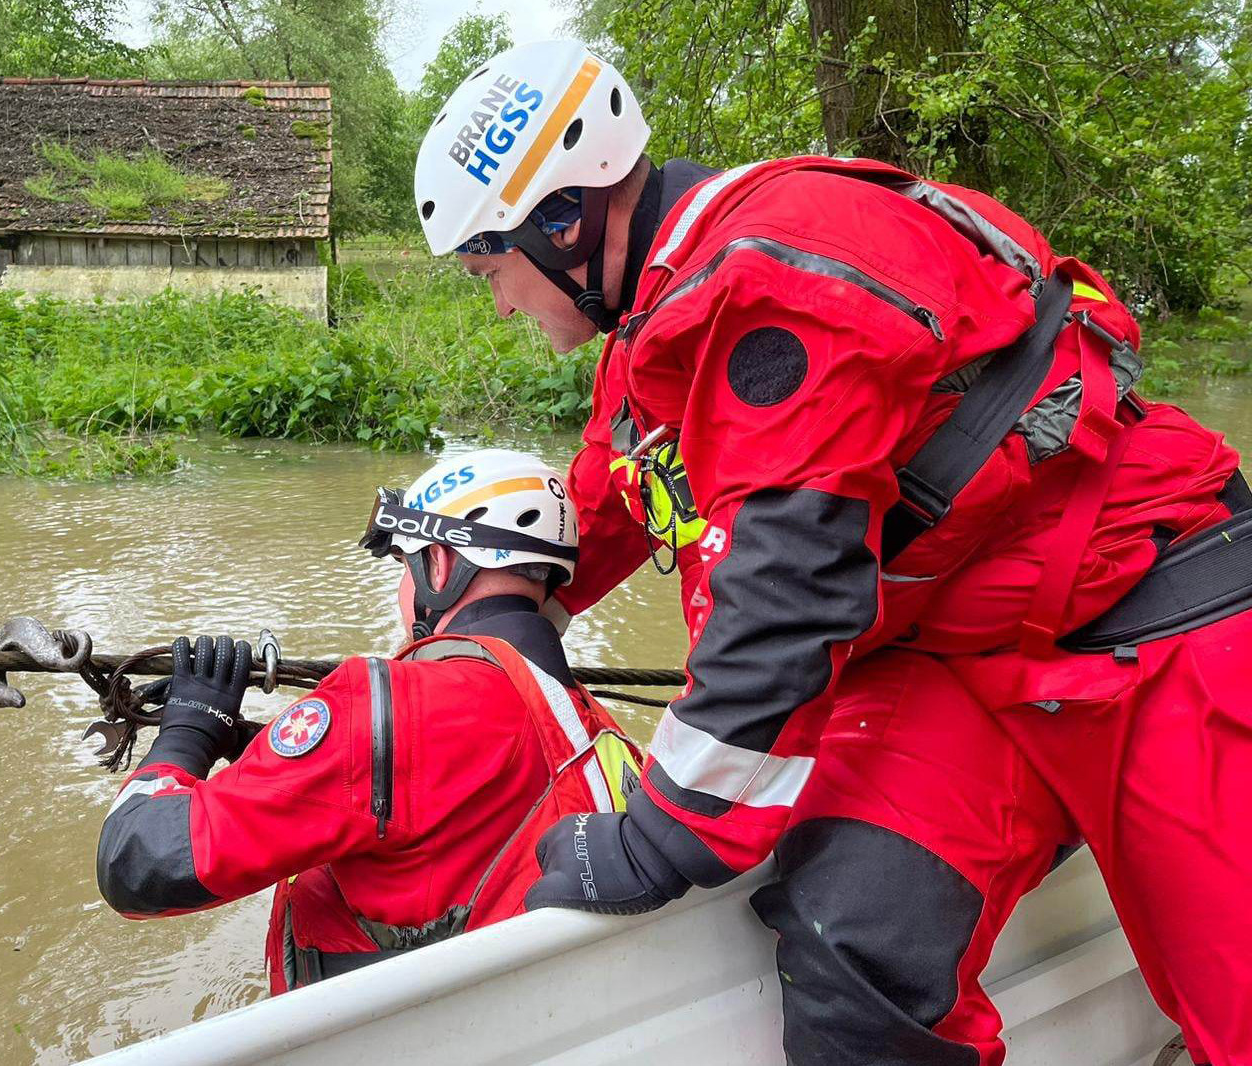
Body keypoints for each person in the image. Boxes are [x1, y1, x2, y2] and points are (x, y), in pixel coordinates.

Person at [413, 38, 1252, 1065]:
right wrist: (465, 627)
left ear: (564, 221)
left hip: (1150, 619)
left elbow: (787, 589)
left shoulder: (782, 269)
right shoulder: (655, 335)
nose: (497, 302)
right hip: (956, 657)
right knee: (849, 943)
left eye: (489, 268)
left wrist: (657, 836)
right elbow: (600, 511)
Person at [95, 449, 640, 993]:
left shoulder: (390, 704)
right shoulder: (592, 725)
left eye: (407, 566)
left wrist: (188, 730)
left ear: (441, 565)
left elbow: (137, 862)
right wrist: (248, 744)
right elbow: (441, 795)